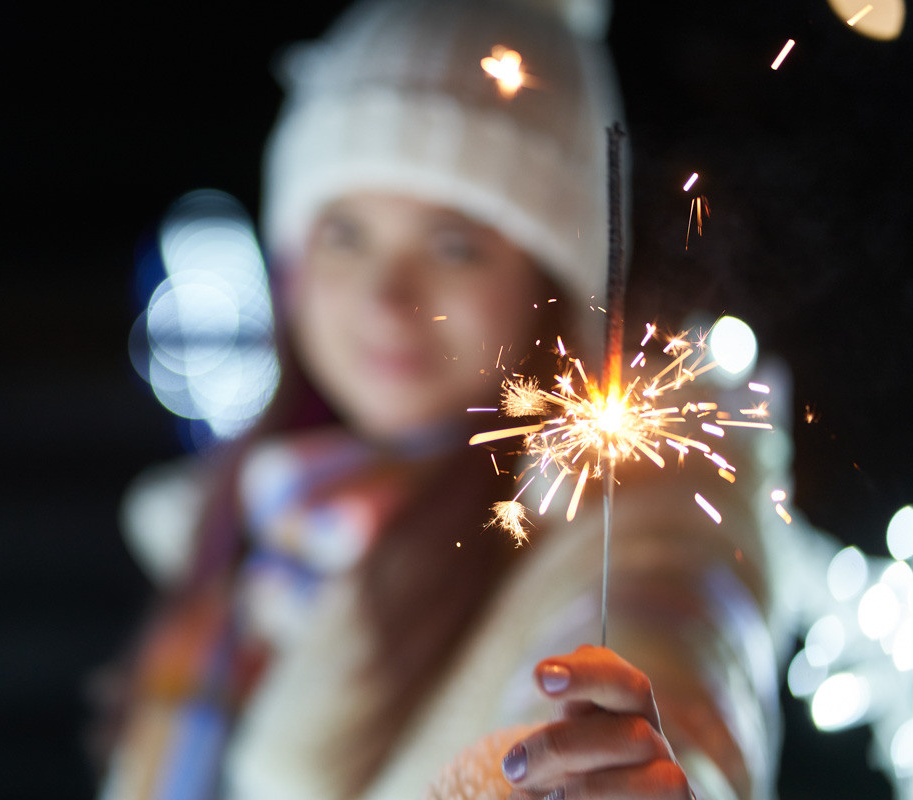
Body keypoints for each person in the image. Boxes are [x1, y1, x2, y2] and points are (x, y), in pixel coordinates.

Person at [95, 0, 793, 798]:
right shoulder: (250, 539)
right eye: (345, 234)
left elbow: (675, 653)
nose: (386, 299)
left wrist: (636, 775)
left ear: (551, 285)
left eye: (455, 245)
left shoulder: (632, 519)